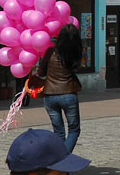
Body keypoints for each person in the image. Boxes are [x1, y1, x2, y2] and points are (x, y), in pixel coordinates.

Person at [34, 24, 83, 153]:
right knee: (74, 130)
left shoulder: (50, 52)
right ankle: (63, 162)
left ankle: (59, 162)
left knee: (58, 131)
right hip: (68, 94)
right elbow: (76, 68)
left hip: (50, 95)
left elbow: (41, 73)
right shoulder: (75, 53)